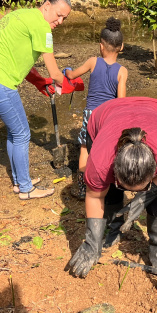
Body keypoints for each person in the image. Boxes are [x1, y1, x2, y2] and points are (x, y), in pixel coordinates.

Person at [68, 97, 157, 279]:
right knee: (108, 192)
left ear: (155, 169)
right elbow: (94, 197)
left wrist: (146, 196)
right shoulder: (101, 163)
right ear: (115, 172)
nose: (134, 193)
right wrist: (91, 244)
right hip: (105, 115)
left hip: (156, 110)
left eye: (142, 187)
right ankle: (114, 229)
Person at [0, 0, 73, 200]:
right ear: (47, 6)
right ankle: (27, 189)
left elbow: (19, 58)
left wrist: (39, 83)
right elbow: (55, 72)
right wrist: (68, 84)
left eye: (65, 17)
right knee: (22, 134)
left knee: (14, 132)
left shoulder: (19, 15)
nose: (61, 21)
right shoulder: (41, 26)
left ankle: (20, 181)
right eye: (58, 14)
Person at [65, 17, 128, 200]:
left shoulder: (93, 61)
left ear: (101, 46)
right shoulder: (122, 71)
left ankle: (82, 188)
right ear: (121, 47)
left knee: (85, 149)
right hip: (108, 116)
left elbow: (72, 75)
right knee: (108, 149)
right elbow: (121, 102)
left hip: (91, 114)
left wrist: (67, 71)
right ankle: (106, 185)